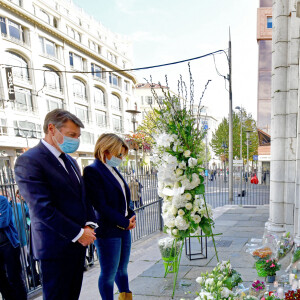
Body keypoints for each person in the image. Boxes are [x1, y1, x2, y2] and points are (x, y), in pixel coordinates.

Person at [14, 109, 97, 300]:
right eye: (71, 135)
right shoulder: (29, 161)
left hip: (78, 244)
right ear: (52, 129)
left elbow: (83, 197)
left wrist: (89, 225)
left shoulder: (70, 160)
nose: (76, 140)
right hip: (55, 248)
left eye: (78, 136)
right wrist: (78, 233)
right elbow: (42, 209)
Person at [83, 133, 136, 300]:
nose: (121, 158)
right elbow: (100, 205)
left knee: (123, 270)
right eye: (119, 154)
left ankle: (126, 297)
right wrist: (124, 222)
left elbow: (122, 198)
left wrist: (131, 214)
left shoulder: (113, 169)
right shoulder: (92, 171)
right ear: (105, 151)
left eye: (122, 155)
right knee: (108, 273)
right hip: (107, 231)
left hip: (123, 228)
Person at [0, 195, 27, 300]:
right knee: (1, 281)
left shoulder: (2, 200)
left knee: (14, 278)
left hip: (9, 245)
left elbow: (3, 222)